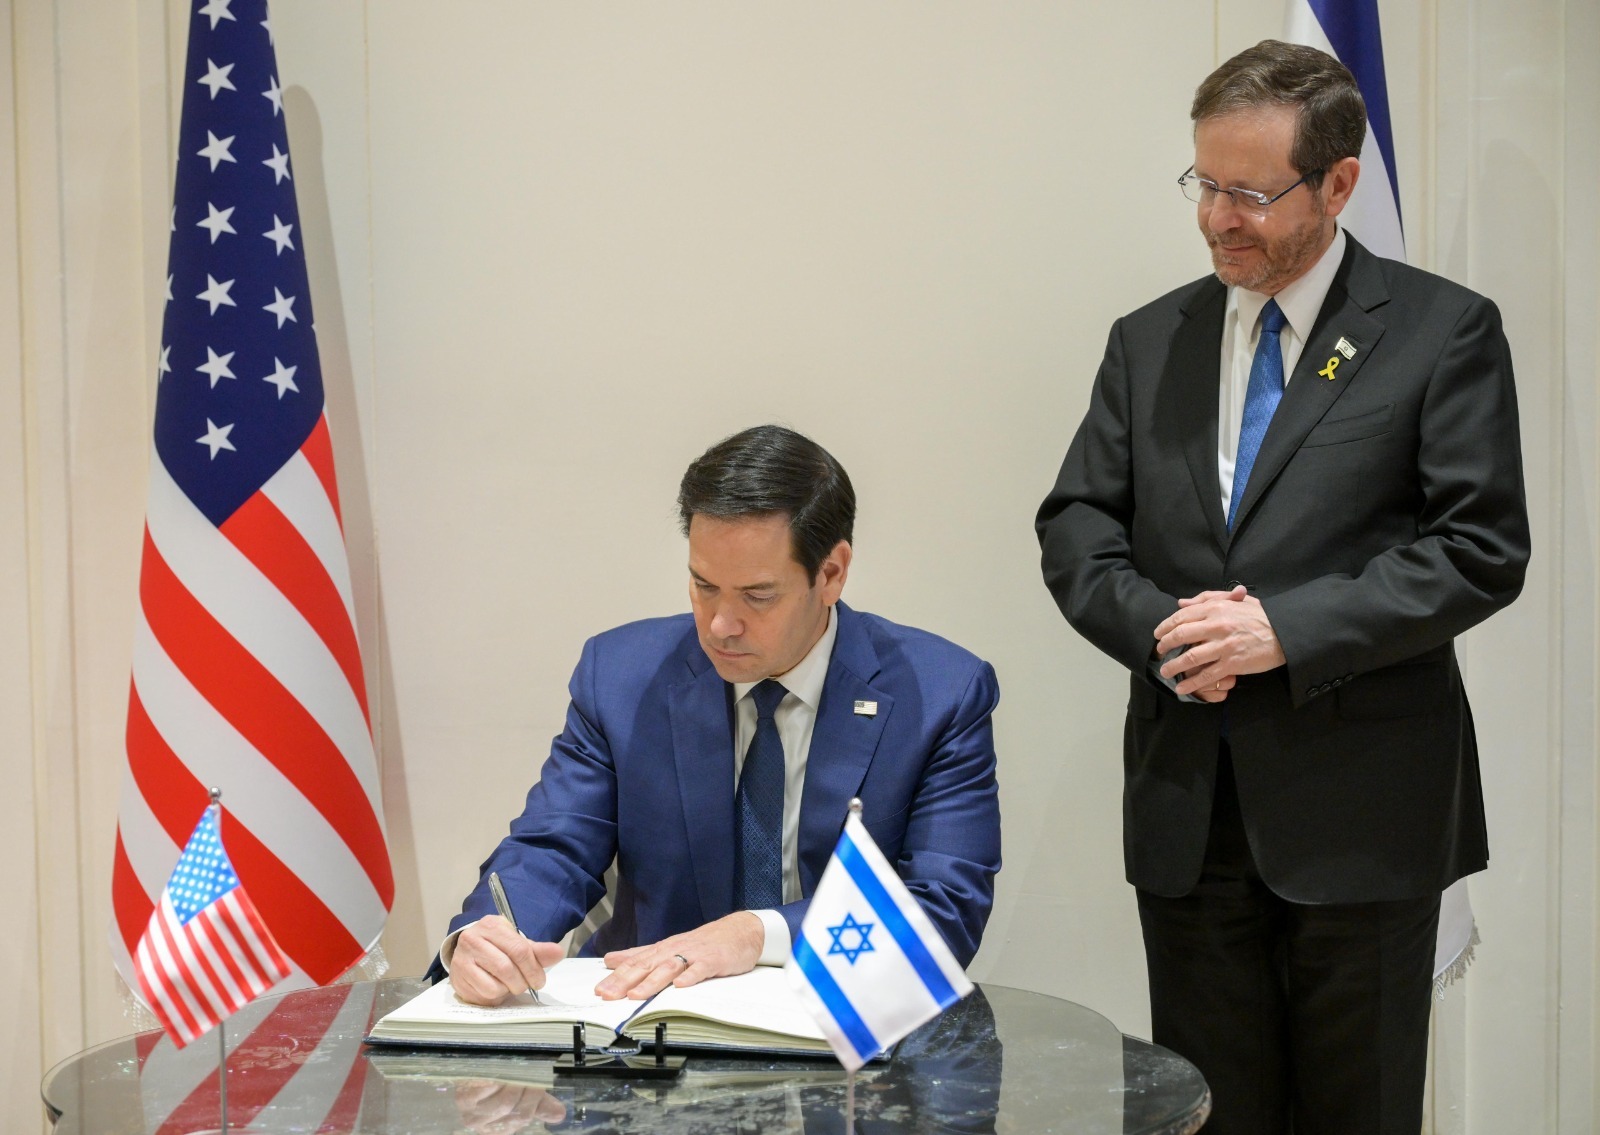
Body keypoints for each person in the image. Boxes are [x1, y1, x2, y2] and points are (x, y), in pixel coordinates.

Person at [1034, 40, 1528, 1135]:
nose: (1217, 218)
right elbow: (1075, 528)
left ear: (1339, 183)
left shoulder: (1440, 332)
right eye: (1203, 184)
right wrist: (1169, 629)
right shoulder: (1148, 338)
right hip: (1188, 813)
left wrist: (1282, 631)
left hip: (1362, 819)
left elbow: (1478, 547)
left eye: (1249, 192)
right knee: (1204, 1114)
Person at [436, 424, 1002, 1007]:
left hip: (840, 1034)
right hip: (643, 1028)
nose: (719, 625)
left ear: (831, 573)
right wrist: (489, 939)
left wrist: (759, 934)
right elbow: (554, 847)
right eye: (704, 586)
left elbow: (941, 908)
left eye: (757, 596)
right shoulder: (622, 675)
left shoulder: (939, 695)